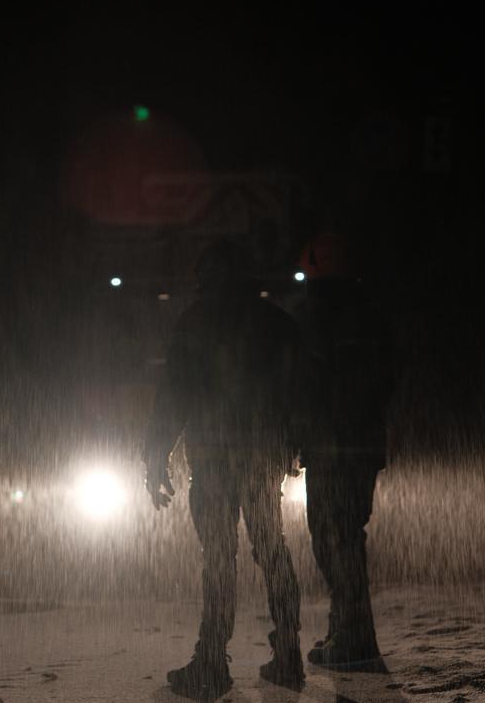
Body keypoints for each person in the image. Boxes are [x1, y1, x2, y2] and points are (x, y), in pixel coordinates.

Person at [143, 239, 304, 699]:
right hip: (260, 455)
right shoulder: (275, 323)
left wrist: (155, 457)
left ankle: (212, 661)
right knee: (272, 548)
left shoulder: (195, 323)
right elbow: (299, 390)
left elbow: (173, 396)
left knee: (218, 558)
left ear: (206, 277)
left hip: (213, 458)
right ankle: (288, 653)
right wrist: (296, 443)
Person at [294, 231, 401, 669]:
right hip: (359, 445)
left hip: (332, 448)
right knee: (343, 536)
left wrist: (302, 434)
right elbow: (385, 379)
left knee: (333, 538)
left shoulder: (323, 316)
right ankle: (349, 631)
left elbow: (308, 385)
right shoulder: (369, 313)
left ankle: (353, 636)